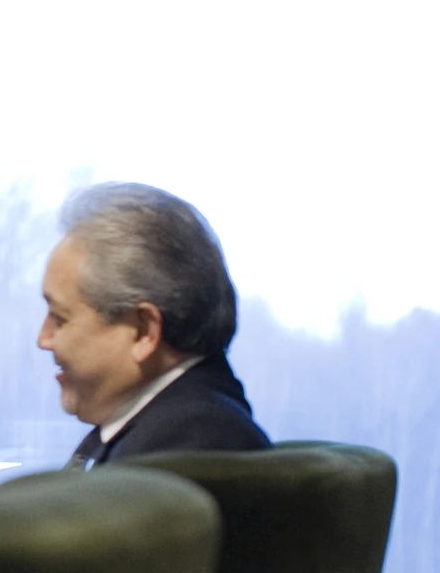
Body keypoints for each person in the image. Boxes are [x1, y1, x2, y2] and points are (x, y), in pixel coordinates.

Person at [39, 181, 270, 468]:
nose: (43, 339)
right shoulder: (170, 429)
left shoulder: (187, 449)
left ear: (144, 331)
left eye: (59, 318)